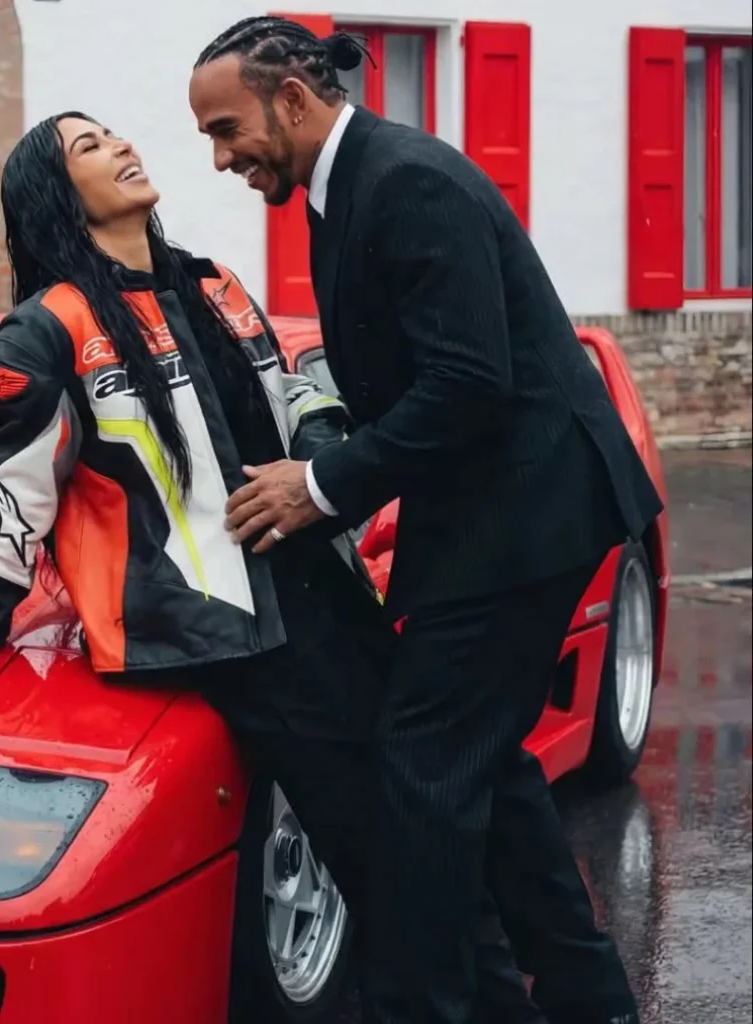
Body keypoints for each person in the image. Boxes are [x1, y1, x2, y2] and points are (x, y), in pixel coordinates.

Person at [0, 110, 408, 1022]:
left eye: (113, 134)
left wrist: (319, 447)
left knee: (416, 809)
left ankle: (454, 979)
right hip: (213, 631)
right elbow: (11, 488)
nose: (121, 146)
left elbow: (294, 387)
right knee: (374, 845)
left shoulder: (211, 282)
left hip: (319, 587)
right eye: (89, 147)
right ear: (56, 196)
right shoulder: (48, 329)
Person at [189, 16, 663, 1024]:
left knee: (422, 764)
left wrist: (319, 487)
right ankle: (590, 999)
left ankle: (428, 1004)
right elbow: (404, 374)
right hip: (495, 511)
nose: (223, 157)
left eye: (227, 130)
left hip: (527, 512)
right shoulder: (343, 186)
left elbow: (467, 383)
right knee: (481, 762)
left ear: (292, 99)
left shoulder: (405, 179)